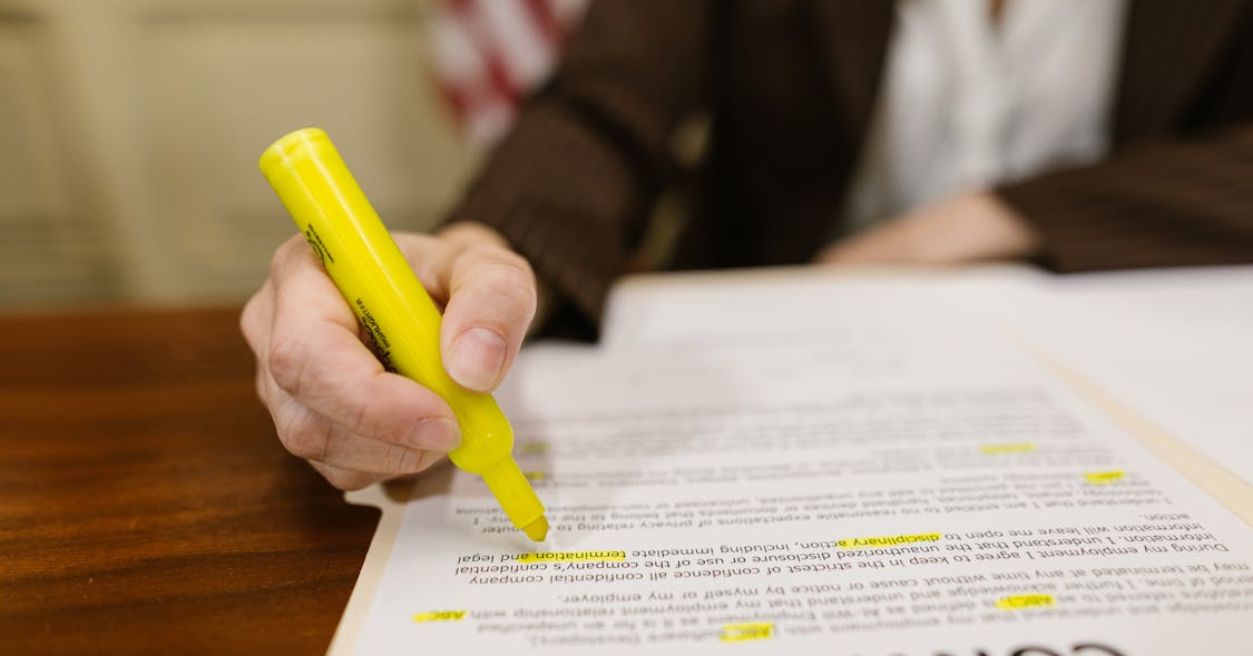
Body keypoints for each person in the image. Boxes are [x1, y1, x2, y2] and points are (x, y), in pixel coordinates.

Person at [241, 0, 1253, 490]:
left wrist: (997, 214)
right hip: (757, 374)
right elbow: (601, 110)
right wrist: (482, 255)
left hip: (1128, 361)